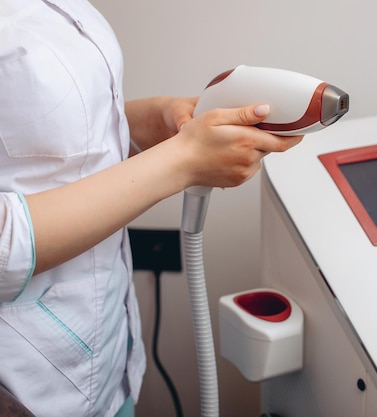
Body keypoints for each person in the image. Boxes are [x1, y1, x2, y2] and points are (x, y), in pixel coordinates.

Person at [0, 1, 303, 416]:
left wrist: (148, 122)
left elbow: (40, 144)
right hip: (30, 383)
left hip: (106, 351)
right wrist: (181, 161)